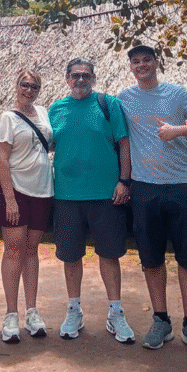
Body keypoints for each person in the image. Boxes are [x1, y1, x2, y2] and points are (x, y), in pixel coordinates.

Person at [117, 45, 187, 358]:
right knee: (151, 257)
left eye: (147, 60)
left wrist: (178, 130)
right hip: (144, 188)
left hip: (182, 187)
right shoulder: (124, 98)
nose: (142, 65)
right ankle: (161, 320)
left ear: (156, 63)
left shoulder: (177, 94)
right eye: (136, 61)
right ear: (131, 67)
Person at [48, 57, 135, 343]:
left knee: (109, 254)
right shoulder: (56, 109)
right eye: (75, 75)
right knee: (71, 256)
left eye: (86, 75)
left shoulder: (109, 104)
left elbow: (124, 143)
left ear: (93, 78)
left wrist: (124, 181)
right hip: (66, 196)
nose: (80, 80)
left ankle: (116, 312)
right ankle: (74, 309)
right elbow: (46, 144)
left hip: (105, 195)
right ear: (67, 78)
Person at [0, 69, 54, 343]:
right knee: (14, 250)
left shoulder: (43, 113)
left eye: (34, 86)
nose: (28, 90)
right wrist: (9, 199)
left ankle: (32, 311)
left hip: (42, 190)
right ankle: (10, 314)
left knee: (32, 250)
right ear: (16, 86)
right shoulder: (8, 118)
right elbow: (2, 158)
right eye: (24, 85)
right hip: (16, 190)